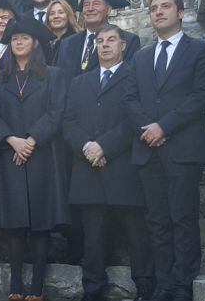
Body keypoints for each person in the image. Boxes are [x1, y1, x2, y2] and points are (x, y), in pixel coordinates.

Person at [124, 0, 205, 301]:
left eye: (165, 7)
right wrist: (148, 128)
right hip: (148, 149)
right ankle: (164, 284)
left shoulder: (200, 50)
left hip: (182, 149)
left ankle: (182, 285)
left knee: (183, 218)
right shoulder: (140, 57)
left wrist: (164, 126)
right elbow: (130, 99)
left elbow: (202, 96)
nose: (158, 12)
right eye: (153, 9)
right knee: (158, 221)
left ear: (179, 12)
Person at [63, 24, 155, 301]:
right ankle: (93, 289)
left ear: (123, 45)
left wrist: (104, 146)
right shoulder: (80, 82)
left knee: (136, 233)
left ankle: (147, 288)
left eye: (111, 40)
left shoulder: (136, 77)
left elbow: (135, 119)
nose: (104, 45)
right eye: (100, 41)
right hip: (88, 167)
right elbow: (68, 121)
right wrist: (87, 147)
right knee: (92, 234)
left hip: (123, 166)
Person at [0, 18, 69, 301]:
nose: (19, 42)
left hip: (41, 155)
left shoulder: (53, 75)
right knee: (15, 223)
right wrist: (12, 140)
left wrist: (31, 140)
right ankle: (16, 286)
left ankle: (37, 289)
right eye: (15, 39)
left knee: (40, 224)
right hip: (10, 155)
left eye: (24, 38)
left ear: (35, 43)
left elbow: (56, 113)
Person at [57, 0, 141, 80]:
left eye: (96, 4)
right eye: (86, 5)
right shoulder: (66, 43)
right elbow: (60, 80)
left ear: (108, 10)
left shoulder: (127, 40)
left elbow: (129, 78)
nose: (90, 9)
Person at [45, 0, 82, 66]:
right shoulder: (43, 42)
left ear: (68, 16)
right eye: (52, 14)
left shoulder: (77, 40)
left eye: (61, 12)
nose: (56, 16)